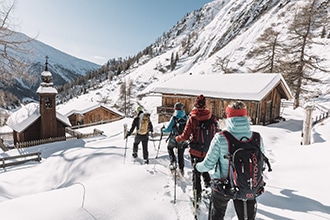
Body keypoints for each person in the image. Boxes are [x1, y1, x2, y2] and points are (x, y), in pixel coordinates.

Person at [196, 100, 266, 220]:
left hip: (223, 186)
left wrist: (197, 167)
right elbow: (262, 163)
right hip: (247, 185)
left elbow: (208, 165)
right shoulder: (256, 138)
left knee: (217, 215)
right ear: (246, 116)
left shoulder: (221, 138)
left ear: (228, 116)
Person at [175, 94, 217, 200]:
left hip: (195, 150)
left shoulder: (193, 118)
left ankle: (197, 195)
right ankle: (209, 186)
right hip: (208, 150)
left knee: (196, 173)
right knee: (204, 167)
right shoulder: (211, 117)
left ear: (195, 104)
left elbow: (185, 136)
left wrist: (177, 139)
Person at [161, 102, 188, 176]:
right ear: (182, 108)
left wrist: (163, 130)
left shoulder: (174, 117)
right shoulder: (186, 117)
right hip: (182, 139)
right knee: (180, 154)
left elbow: (168, 129)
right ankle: (181, 170)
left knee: (169, 148)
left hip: (174, 138)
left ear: (175, 109)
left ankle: (173, 162)